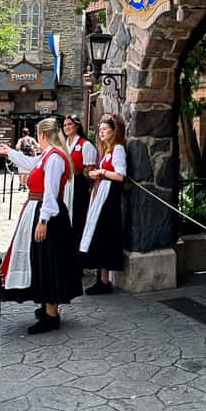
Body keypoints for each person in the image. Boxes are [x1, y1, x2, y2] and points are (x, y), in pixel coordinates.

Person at [0, 118, 82, 334]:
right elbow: (30, 163)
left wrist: (43, 220)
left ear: (42, 135)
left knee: (48, 261)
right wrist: (9, 151)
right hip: (40, 211)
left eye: (38, 134)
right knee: (41, 260)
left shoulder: (54, 158)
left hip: (49, 216)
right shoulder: (47, 155)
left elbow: (51, 192)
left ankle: (51, 314)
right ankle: (46, 307)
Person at [80, 113, 126, 294]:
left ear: (114, 131)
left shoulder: (118, 149)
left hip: (109, 198)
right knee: (98, 235)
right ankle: (102, 279)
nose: (101, 132)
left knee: (103, 236)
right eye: (100, 130)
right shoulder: (106, 151)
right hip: (101, 195)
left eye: (105, 129)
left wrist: (101, 172)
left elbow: (121, 175)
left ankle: (104, 280)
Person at [62, 114, 97, 245]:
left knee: (78, 217)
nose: (67, 127)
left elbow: (89, 170)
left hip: (78, 184)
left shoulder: (85, 145)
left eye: (70, 124)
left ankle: (79, 250)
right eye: (65, 125)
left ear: (76, 126)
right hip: (65, 183)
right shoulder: (63, 145)